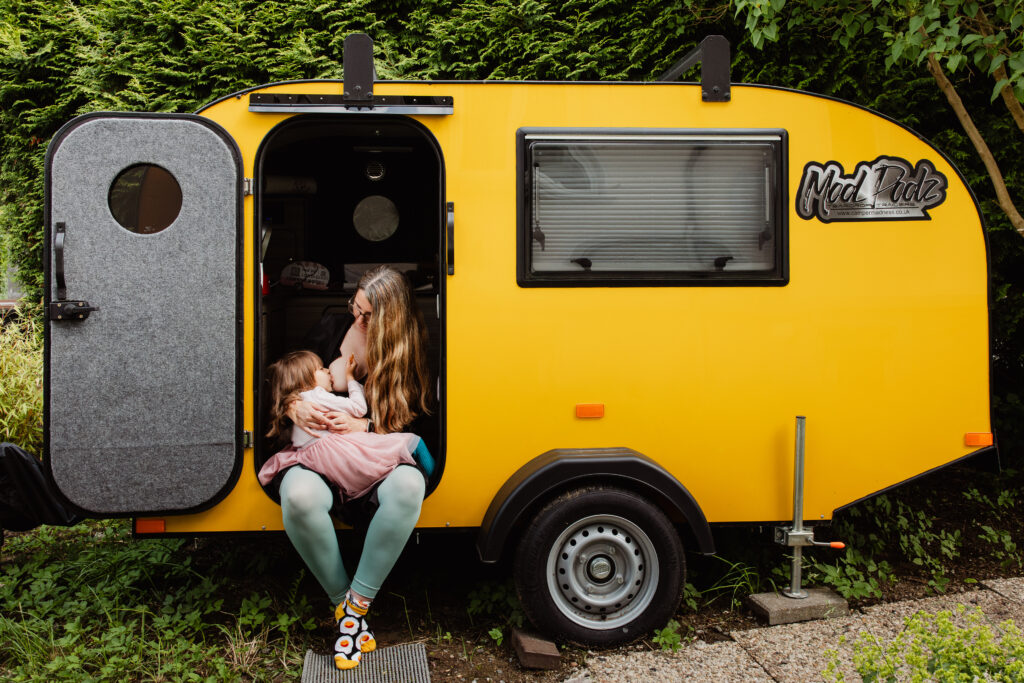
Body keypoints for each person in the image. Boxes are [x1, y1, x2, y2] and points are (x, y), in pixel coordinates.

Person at [276, 265, 433, 671]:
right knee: (297, 496)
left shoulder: (412, 350)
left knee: (408, 486)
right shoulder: (331, 326)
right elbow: (283, 372)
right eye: (356, 308)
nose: (358, 320)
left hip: (373, 459)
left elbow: (422, 421)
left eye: (368, 316)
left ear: (391, 320)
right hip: (319, 456)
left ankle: (356, 607)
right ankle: (344, 606)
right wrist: (293, 404)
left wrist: (364, 424)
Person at [258, 349, 432, 503]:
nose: (327, 371)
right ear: (304, 381)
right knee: (414, 442)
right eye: (320, 369)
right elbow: (359, 408)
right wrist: (351, 379)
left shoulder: (298, 401)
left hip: (319, 456)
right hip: (343, 451)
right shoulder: (317, 395)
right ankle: (439, 486)